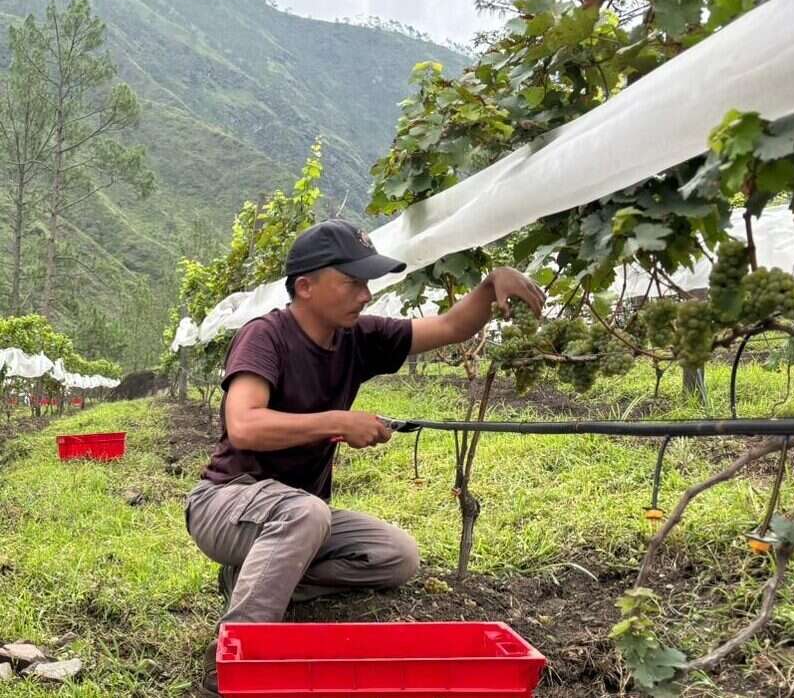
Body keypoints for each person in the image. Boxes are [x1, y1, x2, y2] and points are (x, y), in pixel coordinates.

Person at [184, 219, 545, 696]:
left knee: (396, 556)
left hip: (296, 513)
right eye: (352, 281)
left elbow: (452, 326)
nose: (366, 294)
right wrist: (338, 421)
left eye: (367, 282)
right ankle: (235, 661)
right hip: (227, 503)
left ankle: (251, 576)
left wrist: (490, 283)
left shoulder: (358, 338)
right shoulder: (265, 336)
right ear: (306, 286)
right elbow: (245, 425)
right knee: (306, 513)